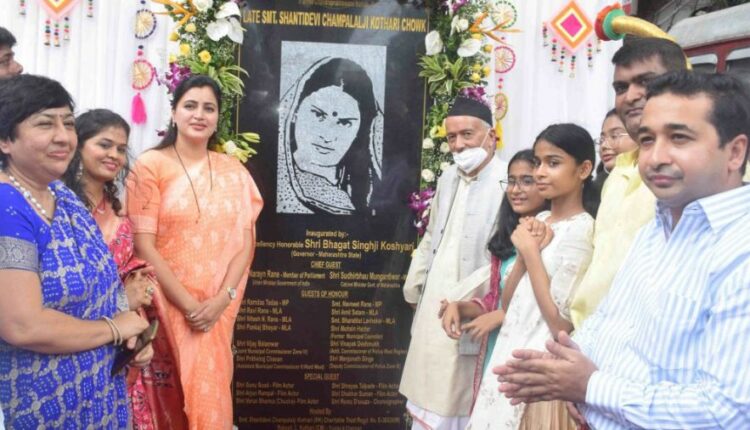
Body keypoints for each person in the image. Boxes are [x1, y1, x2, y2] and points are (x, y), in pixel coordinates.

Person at [495, 71, 750, 429]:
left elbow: (730, 411)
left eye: (679, 138)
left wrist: (591, 388)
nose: (655, 157)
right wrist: (566, 364)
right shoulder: (654, 231)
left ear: (735, 152)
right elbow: (609, 320)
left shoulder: (740, 249)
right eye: (646, 140)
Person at [0, 75, 151, 428]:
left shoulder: (62, 196)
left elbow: (100, 289)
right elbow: (22, 326)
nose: (63, 137)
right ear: (5, 140)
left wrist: (131, 336)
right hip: (38, 405)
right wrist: (114, 328)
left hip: (98, 397)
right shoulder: (7, 207)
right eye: (44, 124)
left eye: (68, 123)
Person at [127, 74, 263, 429]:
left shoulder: (233, 171)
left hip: (215, 313)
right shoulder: (150, 166)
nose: (199, 115)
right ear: (174, 113)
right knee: (166, 406)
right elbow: (143, 245)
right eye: (190, 106)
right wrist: (190, 306)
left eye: (208, 108)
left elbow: (245, 243)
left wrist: (220, 301)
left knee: (210, 402)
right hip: (166, 308)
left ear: (217, 118)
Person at [467, 123, 596, 430]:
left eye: (553, 163)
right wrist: (525, 256)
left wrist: (530, 252)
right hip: (510, 352)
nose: (540, 172)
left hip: (542, 369)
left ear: (583, 169)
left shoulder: (583, 229)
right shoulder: (540, 219)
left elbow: (562, 326)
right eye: (538, 163)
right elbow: (508, 303)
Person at [62, 109, 185, 429]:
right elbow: (62, 290)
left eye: (120, 148)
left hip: (121, 350)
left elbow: (131, 278)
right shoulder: (59, 208)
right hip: (72, 345)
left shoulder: (119, 211)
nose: (114, 155)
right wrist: (121, 299)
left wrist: (140, 334)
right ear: (78, 145)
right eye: (104, 145)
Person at [399, 96, 507, 429]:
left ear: (491, 137)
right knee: (425, 394)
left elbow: (502, 258)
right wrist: (415, 284)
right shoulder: (448, 177)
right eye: (452, 137)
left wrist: (462, 299)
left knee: (455, 401)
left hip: (470, 306)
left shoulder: (508, 182)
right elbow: (432, 235)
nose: (459, 145)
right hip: (433, 302)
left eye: (467, 135)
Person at [568, 37, 688, 328]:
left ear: (681, 84)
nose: (631, 96)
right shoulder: (618, 173)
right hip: (589, 337)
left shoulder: (702, 170)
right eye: (621, 88)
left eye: (645, 82)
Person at [439, 149, 548, 406]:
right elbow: (496, 299)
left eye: (527, 181)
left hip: (532, 351)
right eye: (511, 181)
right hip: (497, 347)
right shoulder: (508, 238)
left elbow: (551, 303)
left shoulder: (551, 235)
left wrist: (502, 315)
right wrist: (462, 307)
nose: (516, 190)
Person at [277, 57, 383, 215]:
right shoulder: (275, 184)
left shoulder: (372, 191)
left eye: (344, 123)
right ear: (294, 111)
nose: (327, 136)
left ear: (360, 129)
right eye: (318, 115)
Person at [592, 109, 636, 194]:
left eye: (614, 136)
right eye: (602, 139)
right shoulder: (598, 190)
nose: (604, 145)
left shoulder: (651, 184)